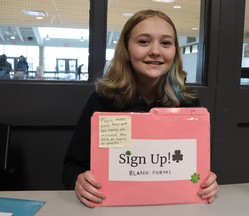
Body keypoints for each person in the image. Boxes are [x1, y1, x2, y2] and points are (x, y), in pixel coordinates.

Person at [63, 9, 218, 208]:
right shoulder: (102, 101)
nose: (155, 51)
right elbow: (71, 168)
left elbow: (195, 171)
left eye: (166, 43)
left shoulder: (188, 105)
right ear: (126, 50)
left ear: (174, 52)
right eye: (143, 41)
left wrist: (207, 181)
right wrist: (79, 181)